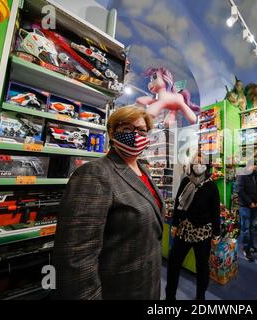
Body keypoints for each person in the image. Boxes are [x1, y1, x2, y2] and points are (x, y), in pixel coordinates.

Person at [53, 106, 164, 300]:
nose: (136, 135)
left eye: (141, 131)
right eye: (127, 129)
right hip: (119, 291)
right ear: (112, 132)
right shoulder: (94, 173)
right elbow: (76, 258)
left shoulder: (143, 171)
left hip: (148, 286)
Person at [166, 156, 221, 300]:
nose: (198, 165)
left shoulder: (211, 186)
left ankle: (200, 297)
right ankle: (170, 296)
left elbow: (216, 212)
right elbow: (178, 204)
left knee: (202, 267)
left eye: (201, 162)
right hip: (184, 230)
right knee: (173, 263)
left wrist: (216, 234)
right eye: (195, 162)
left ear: (206, 166)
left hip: (203, 233)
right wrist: (174, 224)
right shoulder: (185, 181)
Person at [237, 161, 257, 262]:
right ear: (248, 166)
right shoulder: (242, 176)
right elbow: (240, 190)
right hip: (245, 206)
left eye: (256, 165)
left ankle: (251, 246)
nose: (255, 167)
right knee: (246, 228)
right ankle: (245, 249)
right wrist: (249, 202)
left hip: (255, 206)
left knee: (252, 227)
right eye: (253, 165)